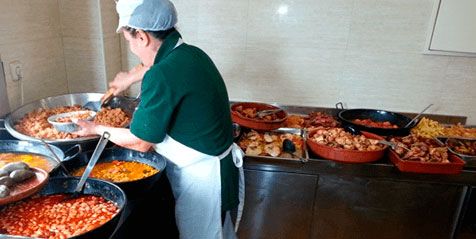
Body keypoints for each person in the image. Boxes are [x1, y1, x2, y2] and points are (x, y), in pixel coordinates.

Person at [74, 0, 245, 238]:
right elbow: (163, 66)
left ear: (142, 36)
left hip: (203, 180)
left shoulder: (162, 74)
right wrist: (131, 77)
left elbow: (140, 141)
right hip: (218, 167)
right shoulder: (192, 54)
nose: (133, 48)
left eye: (129, 41)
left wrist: (95, 128)